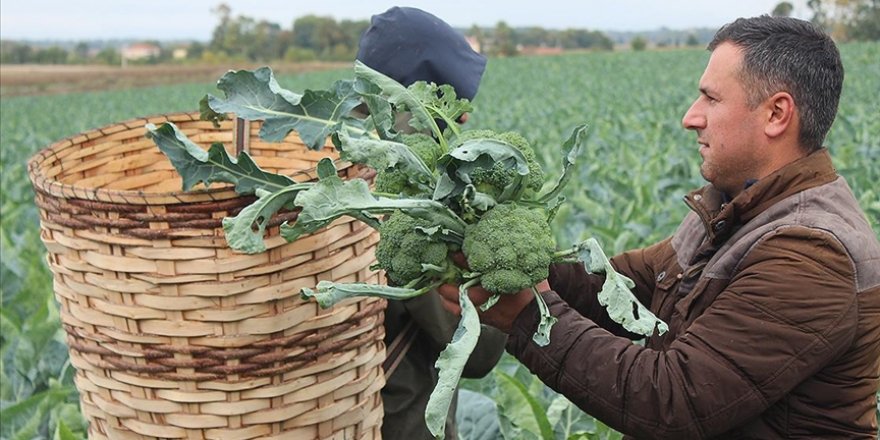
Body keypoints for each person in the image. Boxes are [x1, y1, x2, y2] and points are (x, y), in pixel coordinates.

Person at [438, 15, 880, 439]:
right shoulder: (736, 209)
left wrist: (527, 317)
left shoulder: (810, 254)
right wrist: (502, 256)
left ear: (776, 114)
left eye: (711, 98)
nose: (691, 117)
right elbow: (625, 288)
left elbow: (675, 398)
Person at [355, 7, 508, 440]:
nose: (464, 121)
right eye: (450, 106)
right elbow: (476, 353)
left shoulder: (315, 173)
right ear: (409, 102)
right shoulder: (409, 205)